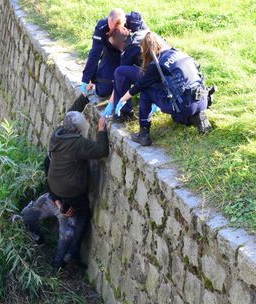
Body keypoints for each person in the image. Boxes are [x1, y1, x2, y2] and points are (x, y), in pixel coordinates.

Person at [115, 31, 214, 146]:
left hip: (185, 105)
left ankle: (143, 134)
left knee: (146, 91)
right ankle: (197, 117)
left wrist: (122, 100)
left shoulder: (158, 64)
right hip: (202, 100)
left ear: (147, 50)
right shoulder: (179, 53)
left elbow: (139, 86)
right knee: (176, 116)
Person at [47, 111, 109, 268]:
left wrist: (84, 97)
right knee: (82, 215)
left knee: (68, 217)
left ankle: (63, 257)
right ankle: (70, 255)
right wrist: (101, 129)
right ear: (77, 129)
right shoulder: (77, 143)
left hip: (54, 185)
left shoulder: (57, 134)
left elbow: (70, 112)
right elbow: (102, 151)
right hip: (70, 190)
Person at [70, 8, 148, 113]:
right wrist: (86, 78)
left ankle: (131, 97)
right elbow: (95, 53)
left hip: (132, 58)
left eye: (117, 26)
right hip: (111, 58)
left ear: (124, 20)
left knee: (129, 78)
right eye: (111, 27)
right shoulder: (102, 27)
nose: (113, 31)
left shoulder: (135, 22)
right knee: (103, 91)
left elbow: (149, 42)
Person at [103, 28, 169, 122]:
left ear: (120, 43)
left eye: (114, 46)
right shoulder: (139, 35)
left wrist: (112, 102)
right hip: (167, 75)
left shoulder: (130, 49)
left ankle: (125, 113)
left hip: (156, 78)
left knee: (120, 72)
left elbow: (120, 77)